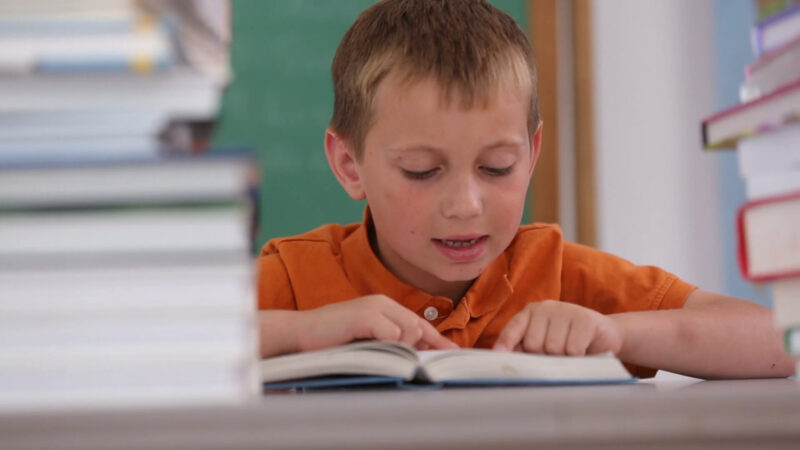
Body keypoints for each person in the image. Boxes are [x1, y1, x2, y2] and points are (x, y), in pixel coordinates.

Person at [256, 0, 794, 379]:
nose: (466, 206)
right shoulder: (296, 278)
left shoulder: (559, 274)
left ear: (532, 154)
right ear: (350, 165)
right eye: (422, 171)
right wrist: (301, 332)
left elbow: (779, 342)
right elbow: (170, 346)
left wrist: (616, 334)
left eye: (497, 167)